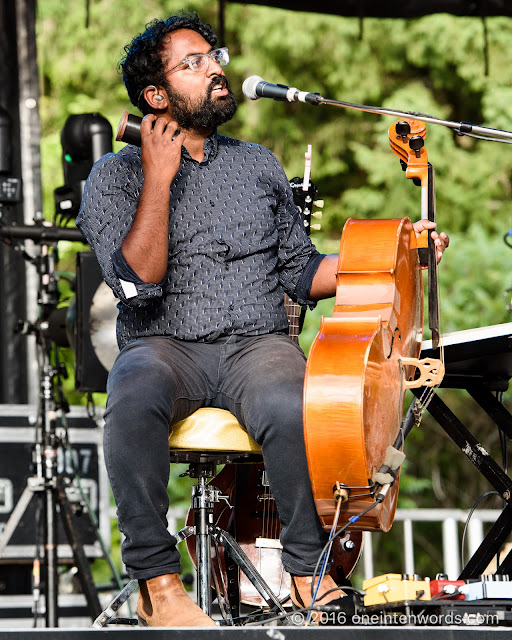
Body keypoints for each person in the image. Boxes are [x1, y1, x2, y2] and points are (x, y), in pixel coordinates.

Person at [77, 12, 449, 628]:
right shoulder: (114, 177)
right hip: (164, 344)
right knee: (131, 389)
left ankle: (307, 570)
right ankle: (160, 585)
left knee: (294, 399)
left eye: (213, 55)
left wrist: (395, 255)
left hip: (256, 343)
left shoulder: (256, 165)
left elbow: (301, 270)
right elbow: (136, 280)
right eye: (193, 63)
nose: (216, 68)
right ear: (155, 96)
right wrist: (161, 180)